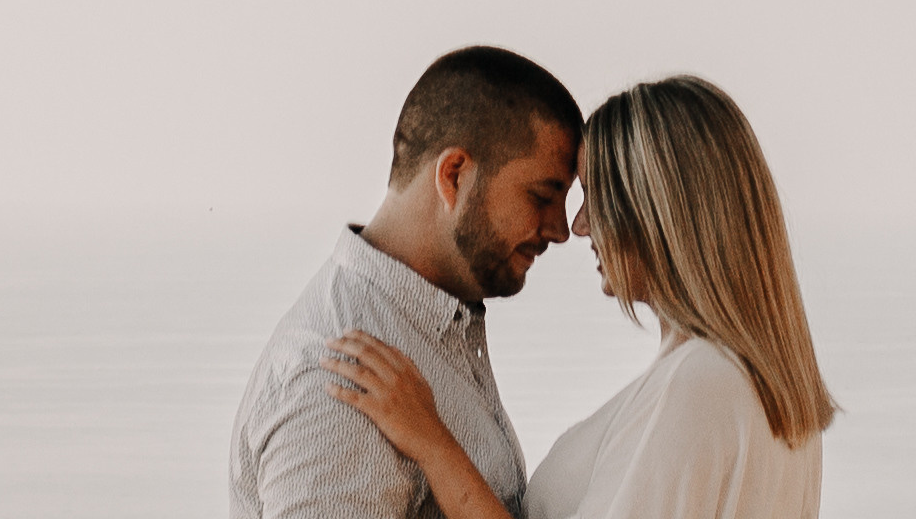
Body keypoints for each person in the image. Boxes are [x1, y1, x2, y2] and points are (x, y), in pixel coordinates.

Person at [331, 75, 836, 519]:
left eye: (596, 197)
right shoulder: (767, 386)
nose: (578, 225)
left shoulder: (699, 382)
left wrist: (430, 441)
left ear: (660, 211)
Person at [232, 46, 583, 517]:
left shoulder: (430, 328)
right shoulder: (338, 381)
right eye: (542, 196)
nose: (561, 230)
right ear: (454, 175)